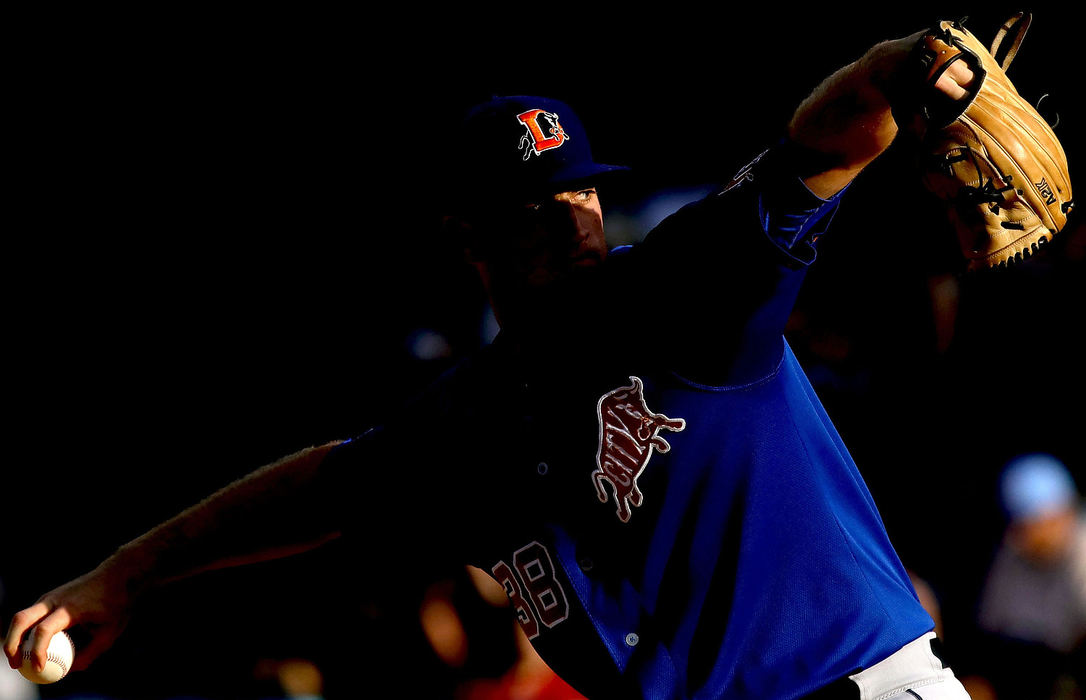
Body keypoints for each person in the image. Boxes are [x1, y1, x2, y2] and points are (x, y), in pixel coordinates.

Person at [4, 25, 985, 700]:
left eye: (581, 194)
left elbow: (822, 141)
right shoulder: (469, 421)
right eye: (532, 209)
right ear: (467, 239)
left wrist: (901, 65)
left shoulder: (687, 289)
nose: (570, 219)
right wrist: (122, 575)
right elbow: (320, 487)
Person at [970, 453, 1086, 698]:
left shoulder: (1082, 552)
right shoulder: (1015, 553)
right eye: (1019, 524)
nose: (1022, 537)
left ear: (1062, 514)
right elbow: (995, 634)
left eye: (1032, 525)